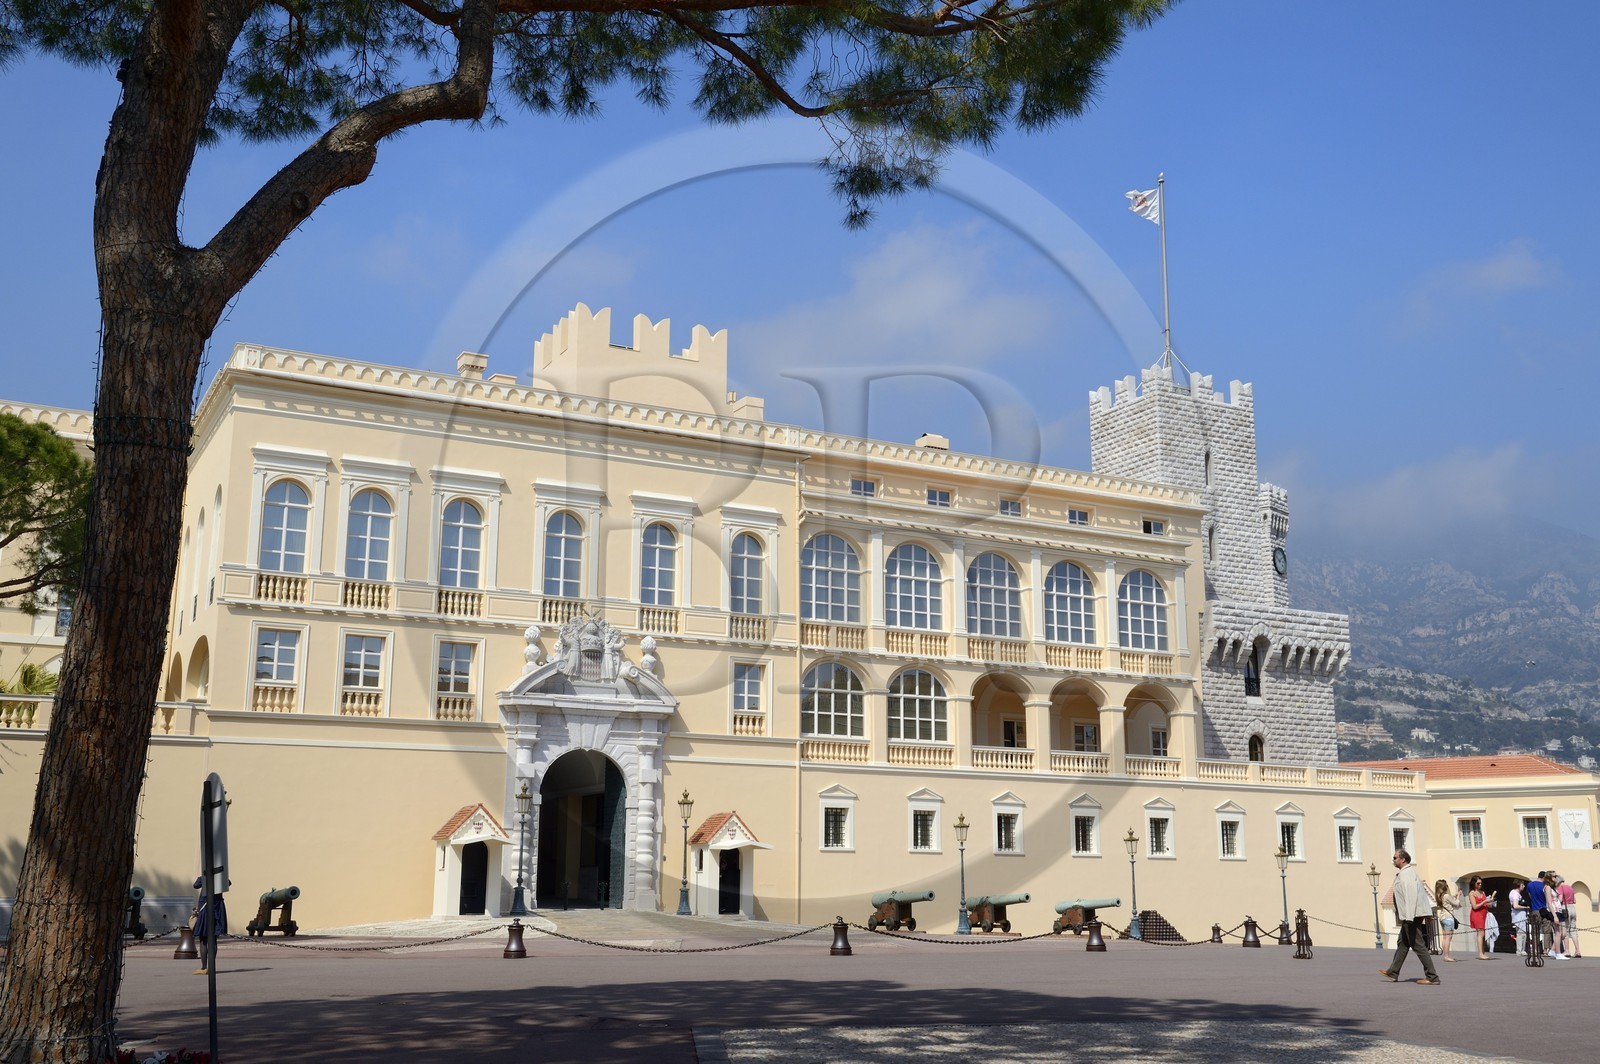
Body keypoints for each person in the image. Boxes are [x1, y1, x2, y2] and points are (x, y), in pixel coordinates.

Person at [1380, 848, 1440, 985]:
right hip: (1410, 914)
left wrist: (1409, 916)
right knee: (1403, 942)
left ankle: (1432, 976)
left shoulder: (1406, 874)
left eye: (1395, 858)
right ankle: (1393, 971)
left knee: (1418, 945)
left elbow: (1411, 895)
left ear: (1403, 859)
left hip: (1411, 915)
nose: (1393, 860)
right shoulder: (1405, 873)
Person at [192, 874, 228, 976]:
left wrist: (203, 877)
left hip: (205, 909)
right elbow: (228, 883)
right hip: (217, 910)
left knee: (203, 939)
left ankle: (204, 967)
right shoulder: (221, 877)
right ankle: (212, 967)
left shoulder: (204, 877)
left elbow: (195, 885)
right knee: (213, 939)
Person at [1434, 879, 1460, 961]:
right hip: (1449, 918)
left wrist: (1453, 896)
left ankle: (1445, 955)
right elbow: (1456, 904)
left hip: (1442, 917)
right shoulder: (1446, 896)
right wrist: (1458, 896)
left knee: (1445, 938)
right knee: (1448, 938)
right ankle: (1447, 956)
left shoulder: (1439, 896)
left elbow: (1448, 900)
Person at [1545, 872, 1570, 959]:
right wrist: (1554, 915)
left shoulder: (1553, 887)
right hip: (1554, 911)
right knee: (1557, 932)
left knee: (1562, 933)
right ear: (1549, 877)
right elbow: (1549, 902)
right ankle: (1558, 953)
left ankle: (1552, 950)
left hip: (1558, 910)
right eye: (1554, 876)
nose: (1556, 877)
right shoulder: (1547, 887)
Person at [1555, 874, 1580, 958]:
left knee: (1564, 929)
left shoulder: (1560, 888)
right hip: (1572, 908)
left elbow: (1561, 899)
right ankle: (1577, 950)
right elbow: (1575, 900)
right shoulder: (1570, 887)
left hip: (1565, 909)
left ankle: (1567, 950)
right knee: (1573, 930)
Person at [1526, 870, 1550, 958]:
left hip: (1535, 909)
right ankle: (1546, 950)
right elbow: (1547, 897)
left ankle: (1535, 949)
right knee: (1547, 930)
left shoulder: (1530, 885)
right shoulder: (1545, 886)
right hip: (1544, 909)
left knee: (1535, 931)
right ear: (1544, 878)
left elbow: (1530, 896)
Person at [1468, 877, 1493, 959]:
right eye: (1478, 883)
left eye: (1481, 883)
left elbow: (1486, 904)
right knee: (1480, 933)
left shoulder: (1482, 892)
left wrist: (1490, 902)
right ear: (1474, 884)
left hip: (1484, 914)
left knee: (1483, 934)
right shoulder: (1472, 893)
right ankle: (1480, 954)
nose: (1480, 885)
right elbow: (1474, 906)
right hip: (1477, 914)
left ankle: (1483, 952)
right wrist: (1484, 901)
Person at [1509, 879, 1528, 954]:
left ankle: (1522, 949)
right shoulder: (1515, 894)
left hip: (1520, 915)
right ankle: (1519, 950)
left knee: (1523, 932)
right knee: (1520, 933)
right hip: (1518, 915)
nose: (1524, 886)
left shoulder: (1516, 893)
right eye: (1522, 885)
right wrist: (1525, 907)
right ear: (1518, 885)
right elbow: (1515, 906)